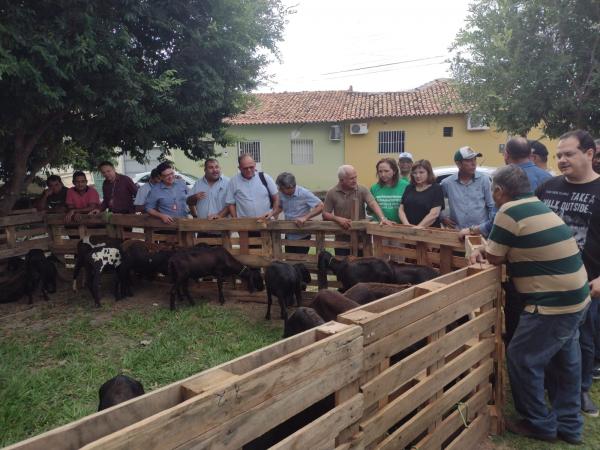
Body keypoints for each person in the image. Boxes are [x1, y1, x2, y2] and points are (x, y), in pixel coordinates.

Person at [470, 164, 590, 445]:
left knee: (522, 359)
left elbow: (495, 257)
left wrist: (479, 249)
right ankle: (570, 426)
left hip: (551, 302)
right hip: (576, 295)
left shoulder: (509, 211)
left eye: (492, 191)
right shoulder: (537, 204)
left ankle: (540, 424)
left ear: (499, 190)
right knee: (565, 363)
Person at [535, 129, 600, 418]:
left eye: (569, 153)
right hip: (544, 280)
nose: (562, 159)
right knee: (548, 337)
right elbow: (529, 220)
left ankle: (580, 390)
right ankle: (552, 388)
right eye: (559, 154)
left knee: (583, 340)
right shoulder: (548, 187)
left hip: (587, 283)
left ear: (589, 154)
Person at [323, 165, 394, 256]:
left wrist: (382, 218)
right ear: (341, 180)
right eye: (351, 178)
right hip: (341, 238)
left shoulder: (362, 189)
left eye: (356, 177)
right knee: (342, 266)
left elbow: (372, 203)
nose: (355, 180)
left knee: (361, 265)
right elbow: (325, 213)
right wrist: (338, 219)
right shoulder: (332, 192)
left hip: (361, 238)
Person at [440, 146, 495, 231]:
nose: (473, 164)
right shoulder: (447, 183)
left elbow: (491, 206)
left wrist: (490, 228)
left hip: (480, 233)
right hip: (458, 232)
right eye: (469, 160)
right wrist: (442, 218)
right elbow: (435, 203)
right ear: (458, 164)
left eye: (474, 159)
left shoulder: (484, 180)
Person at [271, 172, 324, 254]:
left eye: (281, 188)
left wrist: (305, 217)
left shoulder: (304, 193)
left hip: (302, 235)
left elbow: (320, 206)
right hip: (288, 234)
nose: (279, 190)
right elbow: (280, 207)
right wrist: (272, 214)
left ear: (290, 187)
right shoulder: (282, 194)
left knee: (301, 261)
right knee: (289, 259)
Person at [226, 154, 279, 219]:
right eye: (245, 168)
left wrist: (272, 213)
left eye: (251, 167)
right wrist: (236, 220)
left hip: (266, 222)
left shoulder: (265, 177)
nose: (249, 170)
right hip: (245, 225)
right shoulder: (233, 181)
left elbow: (276, 198)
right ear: (239, 168)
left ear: (255, 165)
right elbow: (231, 203)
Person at [398, 159, 444, 227]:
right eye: (415, 173)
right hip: (408, 230)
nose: (418, 175)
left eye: (421, 172)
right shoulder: (409, 187)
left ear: (428, 173)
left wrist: (418, 228)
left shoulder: (436, 189)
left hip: (428, 232)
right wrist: (406, 225)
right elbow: (401, 209)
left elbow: (434, 214)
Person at [369, 158, 409, 223]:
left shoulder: (406, 186)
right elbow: (370, 210)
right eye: (380, 171)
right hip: (380, 228)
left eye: (386, 171)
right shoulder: (374, 188)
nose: (383, 174)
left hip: (401, 226)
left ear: (394, 171)